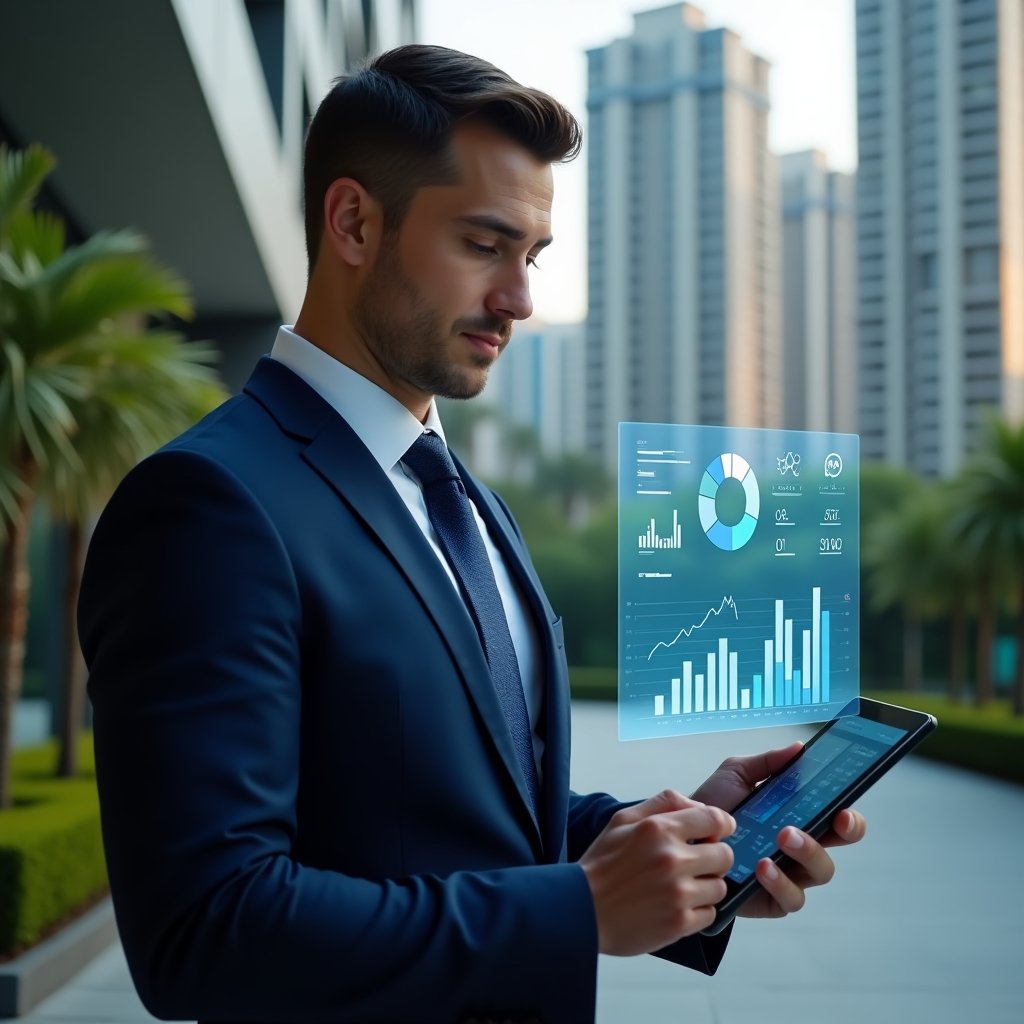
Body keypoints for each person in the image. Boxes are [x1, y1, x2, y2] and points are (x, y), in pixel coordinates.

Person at [78, 44, 865, 1024]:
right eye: (484, 245)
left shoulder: (469, 502)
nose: (520, 299)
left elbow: (459, 812)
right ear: (354, 222)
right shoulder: (208, 505)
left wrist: (655, 839)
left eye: (530, 256)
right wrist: (575, 907)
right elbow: (202, 929)